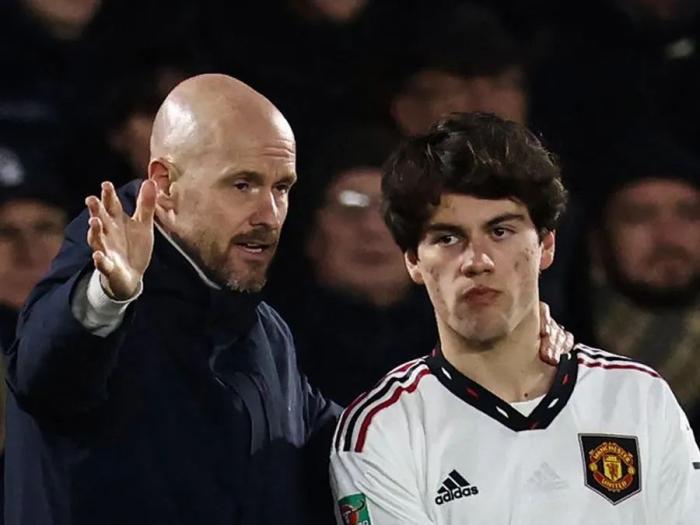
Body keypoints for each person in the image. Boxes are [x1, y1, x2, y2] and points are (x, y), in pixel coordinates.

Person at [330, 113, 700, 524]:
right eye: (448, 238)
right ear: (414, 261)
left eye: (500, 231)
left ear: (545, 245)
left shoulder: (639, 396)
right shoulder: (382, 429)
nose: (477, 261)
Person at [3, 74, 339, 525]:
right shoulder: (99, 293)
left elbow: (341, 445)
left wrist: (427, 406)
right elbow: (43, 372)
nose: (269, 215)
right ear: (163, 185)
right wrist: (108, 297)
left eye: (281, 188)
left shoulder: (266, 334)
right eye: (242, 184)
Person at [569, 132, 700, 438]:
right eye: (639, 217)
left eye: (689, 214)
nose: (668, 237)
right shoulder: (542, 367)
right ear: (597, 243)